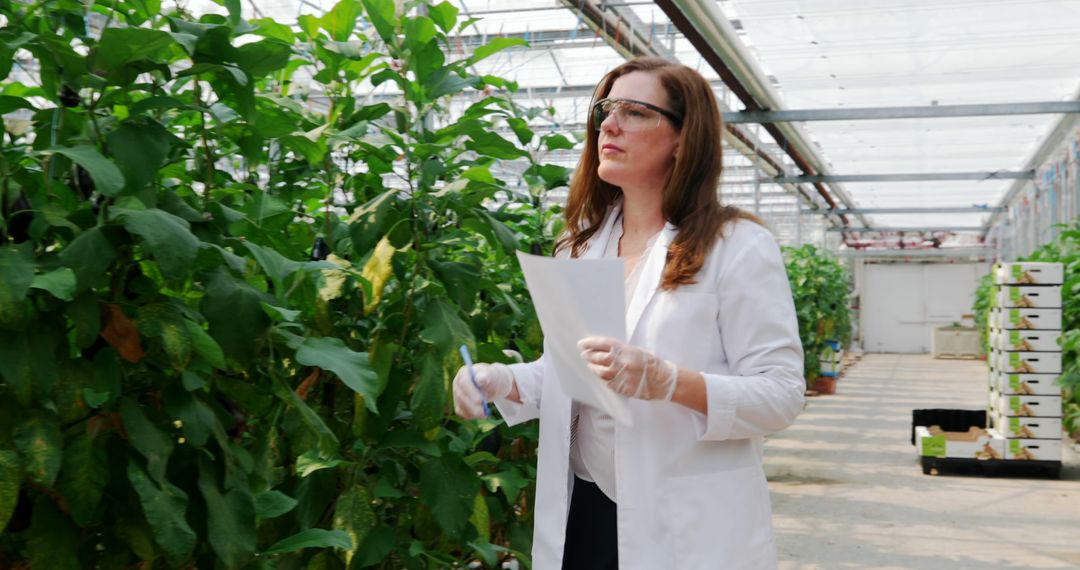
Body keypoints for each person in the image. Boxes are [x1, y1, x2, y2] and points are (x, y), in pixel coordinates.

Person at [452, 57, 805, 570]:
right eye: (605, 110)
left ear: (684, 138)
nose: (610, 125)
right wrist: (499, 379)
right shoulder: (579, 248)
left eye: (635, 112)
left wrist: (670, 382)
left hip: (683, 522)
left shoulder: (737, 247)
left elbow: (781, 395)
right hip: (586, 509)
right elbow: (572, 373)